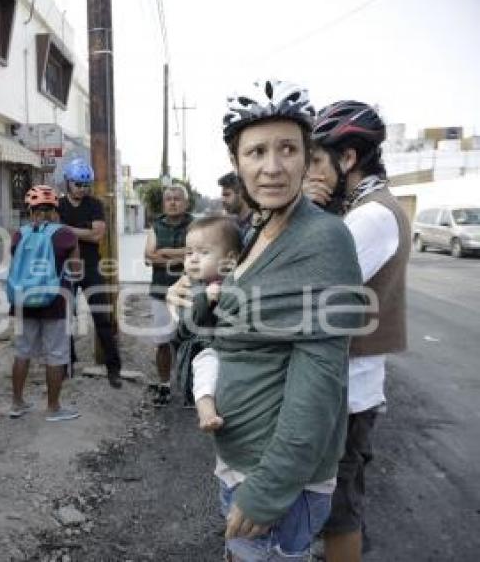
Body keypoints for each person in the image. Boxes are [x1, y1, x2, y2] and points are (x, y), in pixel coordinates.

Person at [168, 80, 364, 561]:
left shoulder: (324, 239)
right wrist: (194, 300)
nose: (272, 167)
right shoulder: (258, 230)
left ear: (307, 157)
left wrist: (270, 488)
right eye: (256, 152)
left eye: (287, 149)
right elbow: (233, 322)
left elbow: (320, 377)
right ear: (237, 164)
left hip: (277, 478)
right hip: (241, 459)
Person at [306, 101, 411, 562]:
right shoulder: (364, 208)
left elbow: (309, 291)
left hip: (348, 390)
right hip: (346, 385)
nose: (306, 172)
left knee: (340, 509)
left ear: (347, 158)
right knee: (331, 503)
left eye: (314, 160)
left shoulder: (369, 216)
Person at [8, 185, 81, 421]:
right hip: (55, 302)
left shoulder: (19, 234)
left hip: (22, 300)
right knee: (56, 354)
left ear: (30, 211)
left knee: (22, 352)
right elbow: (76, 270)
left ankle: (17, 403)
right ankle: (53, 408)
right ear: (56, 209)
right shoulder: (66, 234)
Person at [57, 158, 123, 388]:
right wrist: (82, 231)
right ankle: (68, 364)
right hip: (65, 267)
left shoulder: (94, 204)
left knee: (102, 317)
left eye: (86, 185)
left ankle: (113, 367)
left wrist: (67, 230)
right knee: (65, 317)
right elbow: (56, 235)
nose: (82, 189)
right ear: (68, 182)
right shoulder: (59, 205)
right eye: (78, 184)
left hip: (92, 266)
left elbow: (97, 236)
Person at [167, 215, 241, 413]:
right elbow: (184, 326)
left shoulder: (238, 281)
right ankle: (205, 411)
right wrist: (203, 300)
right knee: (206, 365)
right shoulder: (189, 287)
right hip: (204, 348)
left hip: (234, 353)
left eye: (204, 252)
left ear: (230, 260)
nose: (193, 258)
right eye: (188, 252)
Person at [143, 184, 193, 406]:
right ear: (164, 203)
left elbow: (195, 253)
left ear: (186, 202)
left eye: (177, 199)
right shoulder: (155, 225)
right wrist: (181, 256)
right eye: (169, 199)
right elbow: (147, 257)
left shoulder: (195, 225)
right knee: (163, 342)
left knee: (189, 341)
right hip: (160, 292)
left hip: (189, 293)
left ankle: (190, 387)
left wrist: (162, 253)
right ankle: (164, 385)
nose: (173, 202)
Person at [218, 171, 253, 241]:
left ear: (241, 193)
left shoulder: (256, 227)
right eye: (222, 196)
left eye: (227, 195)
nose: (223, 200)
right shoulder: (232, 225)